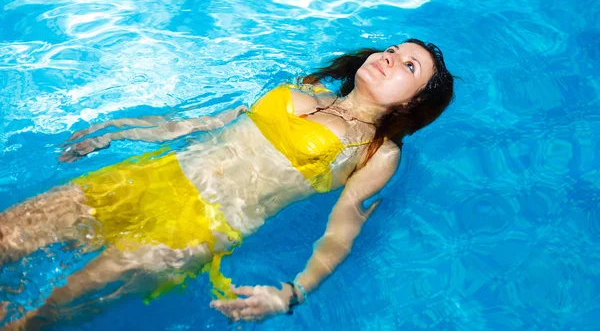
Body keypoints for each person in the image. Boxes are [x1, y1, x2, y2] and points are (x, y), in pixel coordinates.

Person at [0, 39, 455, 328]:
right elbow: (202, 123)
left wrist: (293, 292)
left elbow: (343, 230)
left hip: (196, 228)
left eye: (409, 67)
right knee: (7, 232)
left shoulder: (378, 152)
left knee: (47, 310)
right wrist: (122, 132)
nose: (391, 57)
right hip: (148, 178)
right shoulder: (308, 87)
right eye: (393, 51)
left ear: (413, 105)